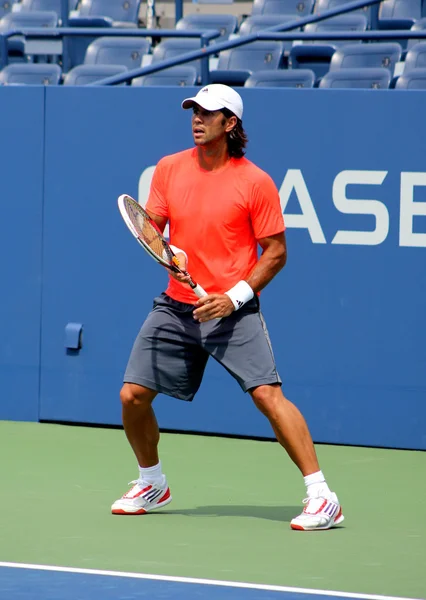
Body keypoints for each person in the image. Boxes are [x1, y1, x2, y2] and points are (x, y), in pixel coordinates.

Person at [112, 84, 344, 531]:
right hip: (177, 307)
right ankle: (152, 482)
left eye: (208, 113)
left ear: (230, 123)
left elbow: (275, 252)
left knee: (267, 396)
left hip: (233, 311)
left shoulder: (254, 182)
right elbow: (154, 231)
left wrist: (232, 297)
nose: (197, 119)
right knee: (131, 396)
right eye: (193, 111)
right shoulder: (169, 168)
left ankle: (322, 495)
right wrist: (171, 254)